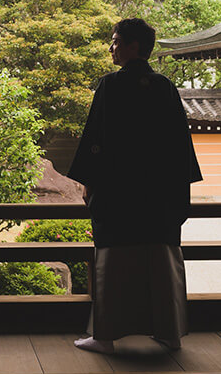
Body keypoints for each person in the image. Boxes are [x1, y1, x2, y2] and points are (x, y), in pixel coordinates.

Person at [67, 18, 202, 353]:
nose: (111, 48)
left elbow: (94, 141)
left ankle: (106, 337)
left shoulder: (110, 86)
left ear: (133, 46)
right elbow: (179, 146)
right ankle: (170, 334)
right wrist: (177, 190)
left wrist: (89, 182)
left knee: (113, 263)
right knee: (161, 260)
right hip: (159, 195)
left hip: (118, 193)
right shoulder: (165, 87)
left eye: (116, 41)